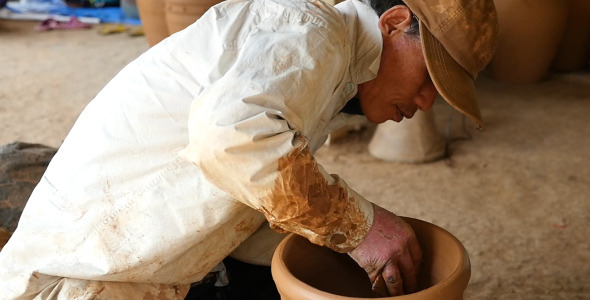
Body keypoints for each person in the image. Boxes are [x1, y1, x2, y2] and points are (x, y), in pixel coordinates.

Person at [0, 0, 497, 298]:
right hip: (73, 278)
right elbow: (228, 139)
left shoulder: (335, 59)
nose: (427, 101)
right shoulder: (310, 32)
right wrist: (359, 225)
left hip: (132, 265)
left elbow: (243, 195)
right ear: (392, 23)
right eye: (430, 77)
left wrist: (336, 250)